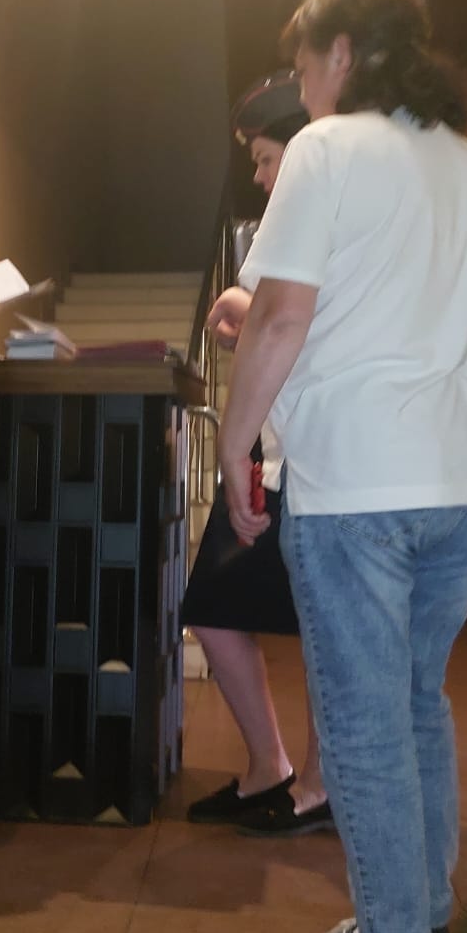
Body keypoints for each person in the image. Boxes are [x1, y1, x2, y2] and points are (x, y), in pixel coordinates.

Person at [218, 0, 467, 933]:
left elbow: (281, 315)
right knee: (416, 702)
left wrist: (237, 443)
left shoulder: (327, 149)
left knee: (361, 716)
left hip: (360, 478)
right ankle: (419, 920)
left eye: (304, 66)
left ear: (342, 53)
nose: (302, 89)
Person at [182, 70, 332, 837]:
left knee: (325, 627)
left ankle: (318, 782)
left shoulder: (324, 211)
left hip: (303, 462)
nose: (262, 177)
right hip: (275, 456)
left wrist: (250, 310)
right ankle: (272, 766)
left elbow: (298, 327)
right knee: (212, 610)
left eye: (267, 159)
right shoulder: (298, 221)